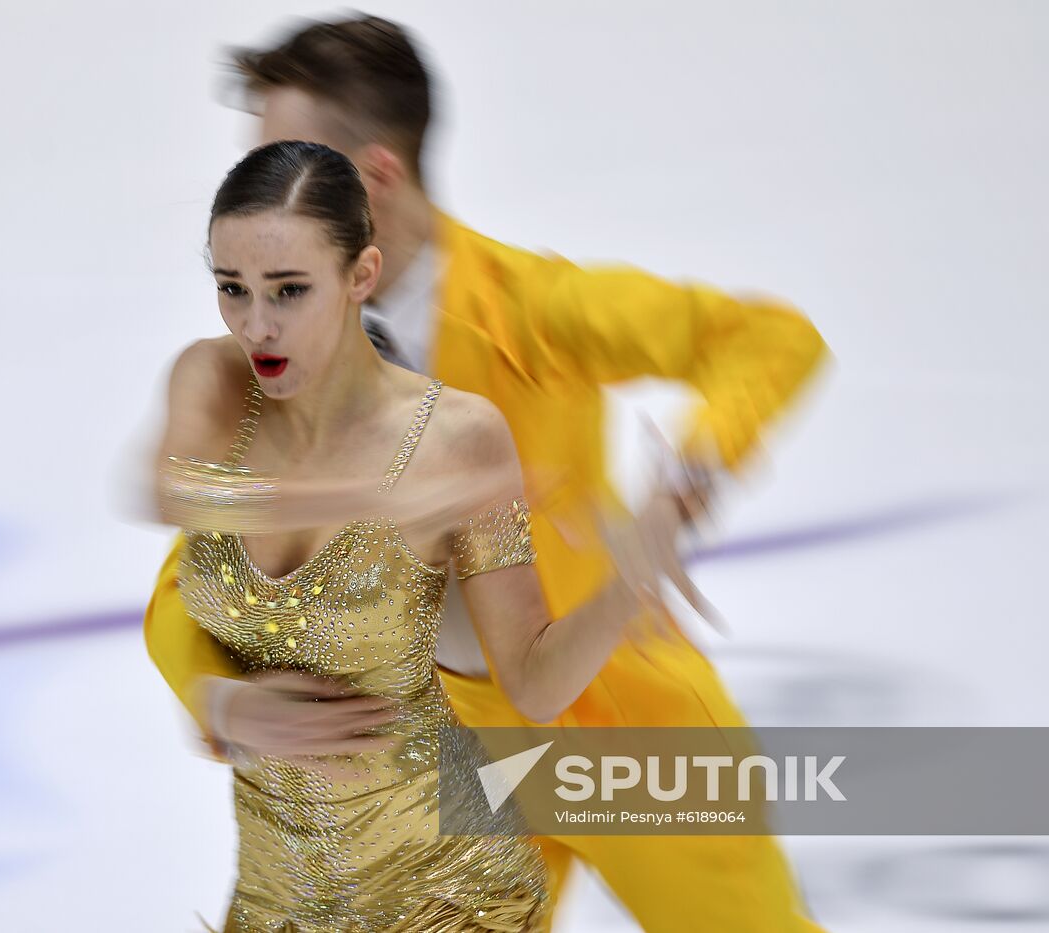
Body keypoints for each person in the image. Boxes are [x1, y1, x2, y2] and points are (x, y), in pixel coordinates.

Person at [143, 15, 829, 933]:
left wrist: (683, 485)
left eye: (287, 161)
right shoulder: (270, 368)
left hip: (623, 732)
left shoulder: (533, 311)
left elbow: (770, 339)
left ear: (376, 175)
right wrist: (221, 696)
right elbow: (195, 573)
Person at [161, 138, 679, 933]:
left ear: (360, 275)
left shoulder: (458, 439)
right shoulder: (213, 386)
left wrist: (625, 589)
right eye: (232, 288)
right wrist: (224, 701)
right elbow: (171, 491)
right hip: (275, 901)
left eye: (290, 290)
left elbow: (534, 680)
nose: (255, 324)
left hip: (450, 896)